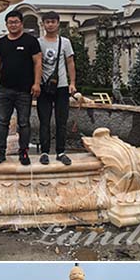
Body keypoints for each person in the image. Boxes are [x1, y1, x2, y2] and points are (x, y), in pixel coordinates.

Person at [0, 9, 42, 166]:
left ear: (21, 23)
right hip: (5, 88)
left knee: (24, 122)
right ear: (6, 24)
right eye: (10, 22)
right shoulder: (2, 42)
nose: (13, 25)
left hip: (24, 90)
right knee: (2, 122)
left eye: (16, 22)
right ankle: (0, 152)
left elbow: (38, 62)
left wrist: (36, 83)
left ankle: (24, 152)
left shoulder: (31, 41)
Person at [37, 12, 77, 165]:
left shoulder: (65, 42)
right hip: (43, 87)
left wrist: (72, 82)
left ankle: (61, 152)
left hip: (61, 87)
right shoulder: (38, 42)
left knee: (62, 121)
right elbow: (36, 63)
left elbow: (70, 63)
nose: (50, 25)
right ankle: (44, 152)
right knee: (44, 121)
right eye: (47, 22)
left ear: (58, 23)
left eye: (53, 22)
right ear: (43, 24)